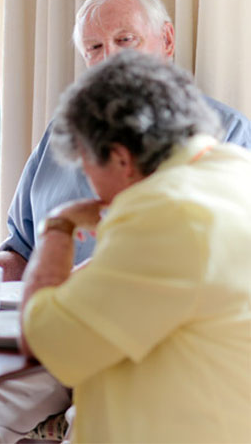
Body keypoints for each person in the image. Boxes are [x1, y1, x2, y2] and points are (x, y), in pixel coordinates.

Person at [0, 0, 251, 443]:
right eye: (94, 47)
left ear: (166, 41)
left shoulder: (203, 171)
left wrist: (59, 228)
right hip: (58, 335)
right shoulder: (73, 134)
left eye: (125, 41)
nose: (110, 58)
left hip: (134, 346)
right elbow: (21, 255)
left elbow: (52, 334)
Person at [20, 49, 251, 442]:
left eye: (86, 166)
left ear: (120, 158)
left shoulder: (163, 212)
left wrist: (58, 227)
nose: (91, 187)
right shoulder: (235, 171)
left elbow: (42, 338)